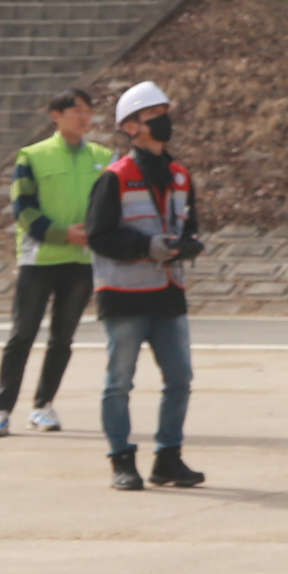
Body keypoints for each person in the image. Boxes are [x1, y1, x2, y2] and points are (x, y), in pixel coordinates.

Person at [85, 79, 203, 491]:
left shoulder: (180, 175)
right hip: (124, 296)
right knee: (119, 382)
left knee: (180, 379)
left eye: (163, 114)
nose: (163, 121)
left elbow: (189, 223)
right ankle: (122, 461)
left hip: (169, 292)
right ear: (131, 127)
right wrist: (146, 246)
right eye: (154, 115)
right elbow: (98, 236)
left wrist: (186, 245)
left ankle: (168, 458)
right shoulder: (115, 178)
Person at [0, 88, 105, 438]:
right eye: (76, 111)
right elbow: (23, 209)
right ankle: (1, 410)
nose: (84, 117)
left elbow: (110, 205)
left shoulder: (103, 157)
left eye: (88, 111)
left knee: (62, 338)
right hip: (40, 260)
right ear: (56, 115)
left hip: (81, 260)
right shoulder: (32, 156)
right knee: (22, 335)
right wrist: (61, 234)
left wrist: (95, 234)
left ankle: (43, 406)